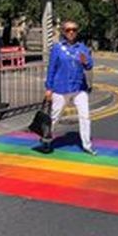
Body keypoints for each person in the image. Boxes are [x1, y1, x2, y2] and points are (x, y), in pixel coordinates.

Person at [44, 21, 96, 155]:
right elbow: (51, 68)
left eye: (74, 29)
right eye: (68, 30)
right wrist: (49, 88)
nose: (71, 32)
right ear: (63, 32)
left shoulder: (82, 48)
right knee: (55, 117)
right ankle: (47, 140)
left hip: (79, 87)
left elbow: (89, 66)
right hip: (61, 88)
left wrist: (86, 61)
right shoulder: (57, 48)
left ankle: (87, 145)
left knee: (85, 116)